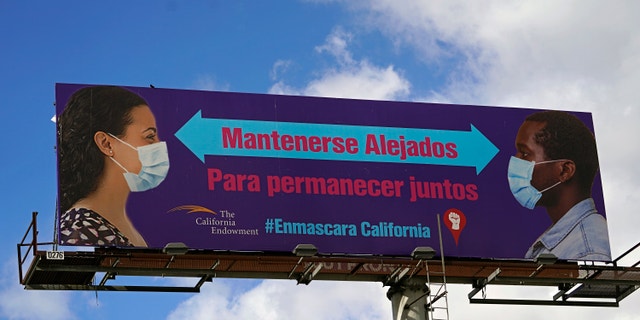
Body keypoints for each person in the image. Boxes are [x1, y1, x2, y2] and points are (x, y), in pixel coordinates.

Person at [57, 86, 169, 247]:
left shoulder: (118, 221)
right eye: (150, 136)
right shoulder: (81, 228)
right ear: (106, 143)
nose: (159, 145)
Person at [507, 110, 611, 261]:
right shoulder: (560, 240)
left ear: (565, 171)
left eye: (524, 153)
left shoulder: (588, 252)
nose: (515, 161)